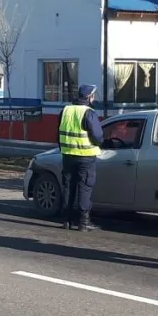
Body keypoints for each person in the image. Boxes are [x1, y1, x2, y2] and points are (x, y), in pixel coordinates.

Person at [58, 84, 104, 231]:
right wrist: (100, 142)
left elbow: (58, 133)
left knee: (68, 187)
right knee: (84, 187)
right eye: (93, 95)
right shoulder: (88, 112)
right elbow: (98, 136)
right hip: (86, 156)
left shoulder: (65, 110)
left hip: (67, 154)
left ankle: (67, 220)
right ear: (89, 97)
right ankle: (83, 223)